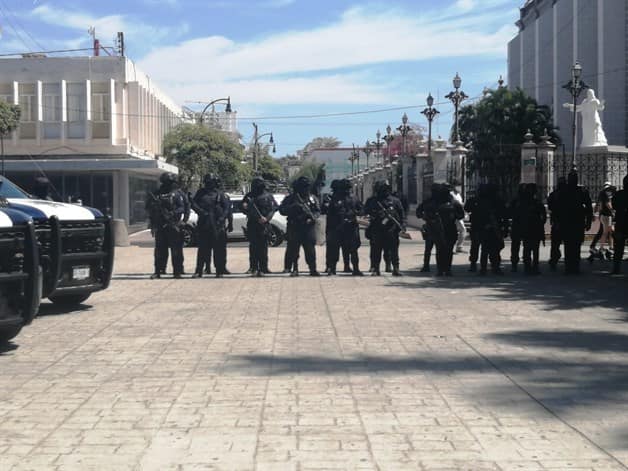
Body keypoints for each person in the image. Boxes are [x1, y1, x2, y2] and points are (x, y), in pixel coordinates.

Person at [146, 172, 190, 279]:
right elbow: (149, 209)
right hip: (160, 225)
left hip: (173, 225)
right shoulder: (157, 194)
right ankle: (158, 271)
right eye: (166, 182)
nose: (168, 184)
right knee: (159, 250)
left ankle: (177, 271)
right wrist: (153, 223)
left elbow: (183, 207)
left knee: (176, 250)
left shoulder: (177, 194)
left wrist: (175, 215)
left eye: (169, 182)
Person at [191, 174, 232, 278]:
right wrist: (201, 212)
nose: (209, 184)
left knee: (218, 250)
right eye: (207, 182)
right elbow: (193, 204)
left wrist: (222, 218)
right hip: (204, 224)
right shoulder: (200, 193)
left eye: (211, 182)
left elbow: (226, 208)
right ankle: (199, 270)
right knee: (202, 250)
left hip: (217, 225)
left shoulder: (220, 194)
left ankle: (219, 271)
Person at [552, 170, 593, 275]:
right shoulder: (565, 191)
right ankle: (570, 267)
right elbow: (557, 207)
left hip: (575, 222)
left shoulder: (580, 191)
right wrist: (557, 221)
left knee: (574, 245)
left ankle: (573, 267)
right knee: (570, 245)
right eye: (572, 178)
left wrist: (589, 221)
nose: (573, 180)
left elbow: (589, 207)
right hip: (568, 222)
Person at [279, 176, 321, 276]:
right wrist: (293, 207)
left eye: (306, 187)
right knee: (293, 250)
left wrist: (312, 218)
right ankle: (295, 269)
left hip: (308, 227)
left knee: (310, 250)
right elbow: (282, 210)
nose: (305, 189)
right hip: (295, 227)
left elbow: (317, 211)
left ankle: (313, 269)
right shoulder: (291, 198)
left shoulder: (312, 198)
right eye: (303, 187)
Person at [322, 178, 363, 276]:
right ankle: (332, 269)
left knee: (353, 250)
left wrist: (354, 213)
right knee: (334, 250)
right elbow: (329, 214)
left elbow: (362, 210)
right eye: (345, 188)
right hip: (337, 228)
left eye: (347, 188)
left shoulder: (354, 198)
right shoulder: (335, 199)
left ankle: (355, 269)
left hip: (351, 228)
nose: (346, 191)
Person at [421, 184, 464, 276]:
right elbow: (424, 212)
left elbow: (461, 215)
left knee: (448, 251)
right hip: (437, 229)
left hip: (450, 229)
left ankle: (447, 269)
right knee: (440, 250)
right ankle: (440, 269)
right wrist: (430, 219)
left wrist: (454, 216)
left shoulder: (454, 203)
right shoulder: (434, 202)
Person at [364, 181, 405, 276]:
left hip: (391, 229)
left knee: (394, 250)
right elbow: (365, 211)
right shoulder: (372, 201)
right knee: (376, 250)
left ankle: (396, 268)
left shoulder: (395, 200)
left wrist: (403, 225)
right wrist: (375, 214)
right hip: (377, 229)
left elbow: (401, 214)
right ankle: (376, 269)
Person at [242, 176, 278, 277]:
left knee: (263, 247)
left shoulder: (268, 196)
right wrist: (245, 207)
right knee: (253, 247)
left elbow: (274, 208)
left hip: (264, 224)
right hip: (253, 224)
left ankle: (264, 267)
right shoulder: (249, 196)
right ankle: (253, 267)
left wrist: (267, 218)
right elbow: (242, 207)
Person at [474, 183, 507, 275]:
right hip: (490, 227)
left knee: (488, 249)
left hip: (491, 227)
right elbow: (504, 215)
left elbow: (504, 215)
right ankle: (493, 268)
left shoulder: (484, 201)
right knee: (492, 249)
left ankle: (487, 268)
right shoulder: (490, 201)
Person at [519, 183, 547, 275]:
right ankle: (531, 267)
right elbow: (543, 216)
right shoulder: (533, 203)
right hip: (532, 228)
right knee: (532, 249)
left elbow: (543, 215)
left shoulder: (526, 203)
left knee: (530, 249)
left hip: (531, 228)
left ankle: (530, 267)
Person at [416, 185, 437, 273]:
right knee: (429, 248)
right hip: (430, 227)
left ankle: (441, 267)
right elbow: (418, 212)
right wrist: (425, 217)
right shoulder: (428, 201)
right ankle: (426, 266)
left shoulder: (442, 201)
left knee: (438, 249)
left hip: (440, 227)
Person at [547, 177, 567, 271]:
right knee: (567, 243)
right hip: (565, 221)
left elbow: (550, 206)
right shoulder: (568, 194)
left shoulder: (554, 194)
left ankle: (554, 259)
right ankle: (566, 261)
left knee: (555, 243)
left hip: (557, 221)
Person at [611, 174, 628, 275]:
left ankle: (616, 267)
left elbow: (614, 206)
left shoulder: (619, 194)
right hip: (622, 222)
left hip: (621, 222)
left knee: (618, 247)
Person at [508, 184, 526, 272]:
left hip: (522, 225)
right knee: (517, 246)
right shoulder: (516, 201)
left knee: (518, 246)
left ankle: (516, 263)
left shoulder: (517, 201)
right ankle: (516, 263)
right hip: (519, 224)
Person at [464, 192, 481, 272]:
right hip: (476, 225)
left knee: (475, 246)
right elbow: (467, 208)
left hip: (479, 225)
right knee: (475, 246)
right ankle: (473, 264)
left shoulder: (488, 200)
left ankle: (474, 264)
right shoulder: (474, 200)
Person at [450, 184, 466, 253]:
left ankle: (459, 247)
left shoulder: (458, 195)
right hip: (454, 215)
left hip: (458, 215)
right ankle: (457, 247)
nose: (460, 188)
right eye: (458, 186)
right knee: (462, 230)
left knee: (461, 230)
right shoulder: (451, 194)